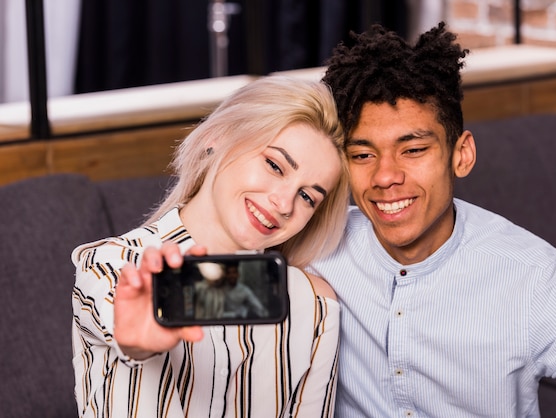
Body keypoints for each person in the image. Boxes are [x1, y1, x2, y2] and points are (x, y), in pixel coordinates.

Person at [308, 22, 556, 416]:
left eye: (413, 150)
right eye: (362, 155)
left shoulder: (538, 280)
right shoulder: (316, 246)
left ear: (462, 155)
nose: (385, 176)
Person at [71, 75, 351, 417]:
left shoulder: (314, 307)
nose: (283, 203)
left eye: (308, 196)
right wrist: (138, 341)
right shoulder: (111, 264)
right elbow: (123, 326)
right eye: (274, 165)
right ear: (217, 138)